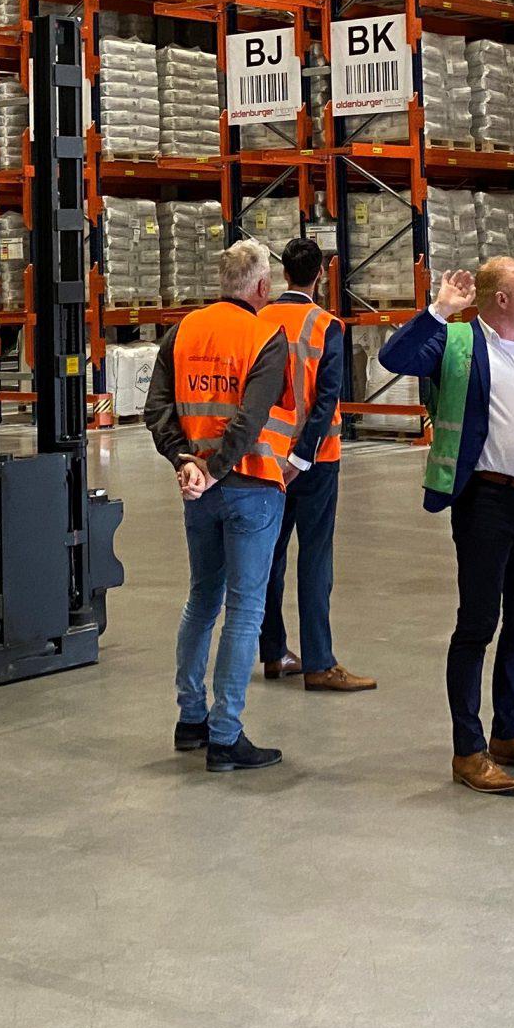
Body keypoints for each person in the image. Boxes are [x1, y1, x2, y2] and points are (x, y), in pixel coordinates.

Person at [379, 257, 514, 795]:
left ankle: (509, 733)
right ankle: (468, 750)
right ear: (503, 300)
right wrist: (439, 311)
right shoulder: (456, 343)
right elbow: (393, 357)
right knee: (477, 625)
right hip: (485, 503)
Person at [143, 237, 299, 773]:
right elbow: (250, 419)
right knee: (245, 609)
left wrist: (185, 462)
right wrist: (215, 468)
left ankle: (191, 718)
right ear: (262, 286)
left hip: (199, 492)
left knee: (201, 600)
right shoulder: (266, 335)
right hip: (251, 486)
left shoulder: (183, 330)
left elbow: (156, 407)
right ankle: (225, 736)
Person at [257, 238, 373, 691]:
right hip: (315, 461)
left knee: (270, 556)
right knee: (315, 558)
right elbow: (326, 400)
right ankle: (320, 663)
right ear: (320, 275)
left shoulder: (259, 319)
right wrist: (302, 456)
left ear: (283, 273)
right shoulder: (326, 324)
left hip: (267, 459)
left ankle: (273, 652)